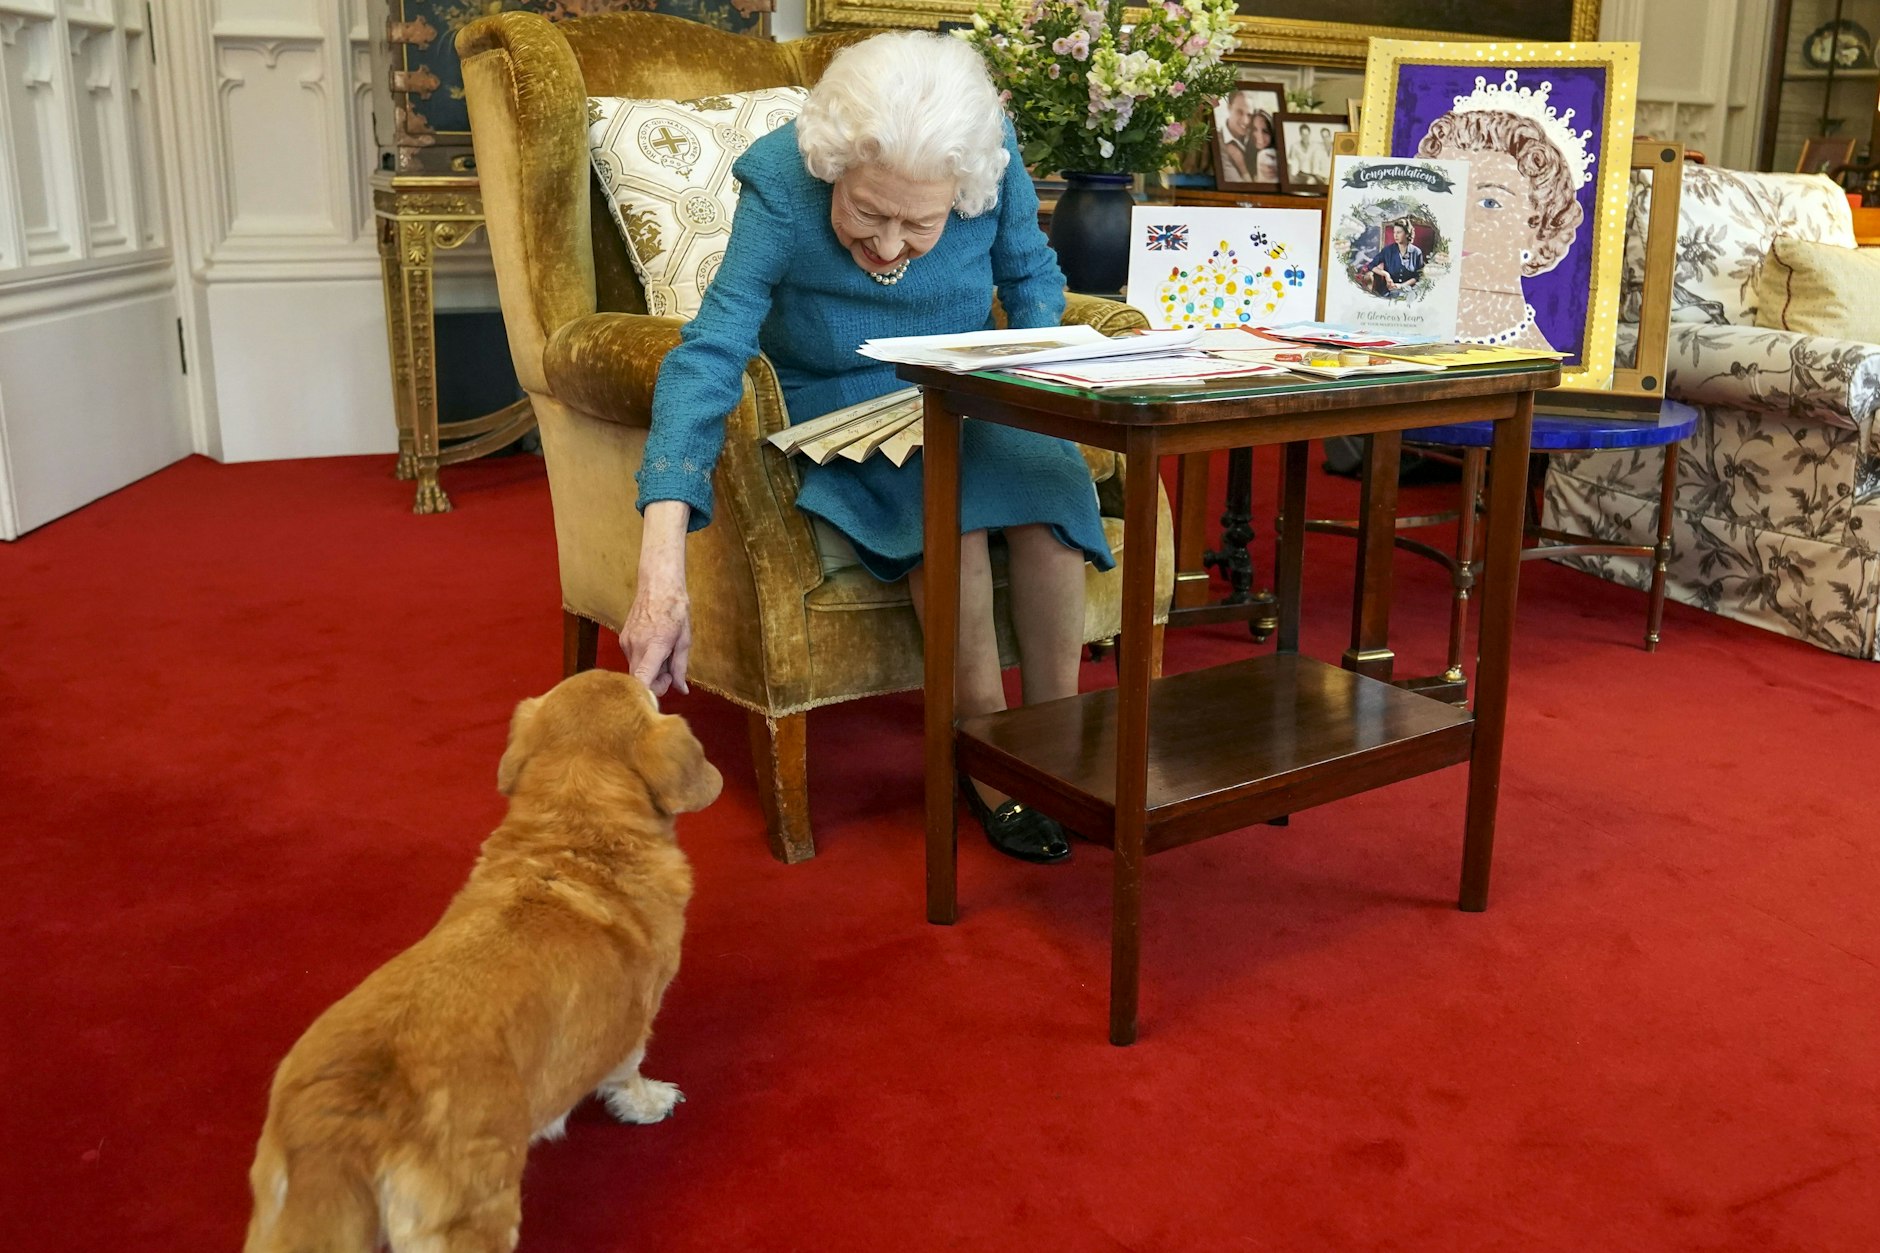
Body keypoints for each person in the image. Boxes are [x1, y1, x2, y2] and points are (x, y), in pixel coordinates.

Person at [626, 31, 1110, 865]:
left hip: (969, 382)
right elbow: (710, 352)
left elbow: (1032, 283)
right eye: (866, 213)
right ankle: (987, 760)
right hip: (838, 394)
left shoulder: (987, 155)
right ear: (833, 166)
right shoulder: (782, 178)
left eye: (919, 223)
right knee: (947, 520)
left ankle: (1053, 749)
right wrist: (661, 560)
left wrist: (1038, 387)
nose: (889, 247)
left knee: (1049, 513)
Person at [1417, 105, 1584, 350]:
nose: (1460, 221)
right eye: (1445, 196)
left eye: (1489, 203)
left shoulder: (1535, 358)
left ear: (1537, 227)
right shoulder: (1389, 339)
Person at [1364, 219, 1424, 295]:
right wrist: (1386, 274)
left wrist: (1402, 286)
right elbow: (1371, 265)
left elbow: (1418, 276)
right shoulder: (1387, 250)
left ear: (1407, 234)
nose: (1395, 235)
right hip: (1389, 291)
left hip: (1409, 291)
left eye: (1398, 232)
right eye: (1394, 232)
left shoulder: (1417, 252)